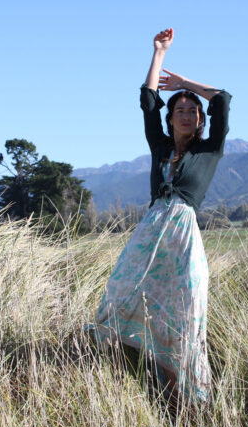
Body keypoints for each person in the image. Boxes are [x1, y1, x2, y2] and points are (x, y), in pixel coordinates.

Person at [89, 28, 231, 404]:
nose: (186, 115)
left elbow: (223, 100)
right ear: (171, 122)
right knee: (119, 297)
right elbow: (149, 100)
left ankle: (182, 399)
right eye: (179, 111)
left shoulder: (209, 151)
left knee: (181, 320)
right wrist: (159, 54)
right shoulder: (161, 146)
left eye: (192, 112)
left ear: (200, 120)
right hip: (150, 234)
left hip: (184, 240)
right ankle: (122, 379)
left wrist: (184, 84)